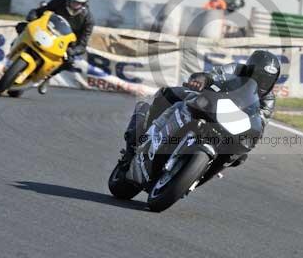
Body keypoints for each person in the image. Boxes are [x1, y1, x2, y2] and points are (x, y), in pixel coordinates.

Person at [120, 50, 281, 173]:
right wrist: (201, 81)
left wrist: (250, 136)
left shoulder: (269, 99)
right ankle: (141, 139)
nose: (261, 82)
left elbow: (259, 123)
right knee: (169, 93)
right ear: (248, 69)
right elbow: (214, 75)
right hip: (211, 104)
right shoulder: (236, 69)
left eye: (267, 80)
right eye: (258, 76)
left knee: (239, 156)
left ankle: (200, 172)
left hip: (231, 125)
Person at [24, 0, 94, 94]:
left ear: (84, 3)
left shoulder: (88, 19)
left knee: (68, 61)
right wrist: (33, 15)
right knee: (22, 27)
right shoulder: (59, 1)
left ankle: (47, 77)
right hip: (47, 31)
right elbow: (40, 11)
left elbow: (83, 43)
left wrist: (73, 50)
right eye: (72, 1)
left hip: (64, 43)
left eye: (77, 3)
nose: (73, 5)